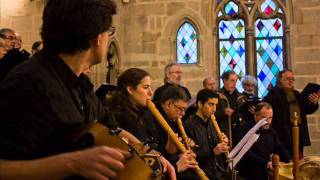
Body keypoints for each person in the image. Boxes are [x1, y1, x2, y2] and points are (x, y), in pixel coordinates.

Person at [0, 0, 139, 179]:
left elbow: (111, 128)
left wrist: (147, 152)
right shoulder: (27, 83)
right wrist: (71, 163)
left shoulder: (81, 83)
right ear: (96, 38)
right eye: (108, 32)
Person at [109, 68, 177, 179]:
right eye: (145, 87)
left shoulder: (146, 114)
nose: (150, 93)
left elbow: (155, 151)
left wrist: (169, 149)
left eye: (150, 87)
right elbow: (140, 159)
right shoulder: (120, 117)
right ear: (130, 89)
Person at [264, 69, 319, 157]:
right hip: (282, 135)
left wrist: (314, 102)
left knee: (298, 161)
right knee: (285, 162)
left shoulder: (296, 94)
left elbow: (307, 110)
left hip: (298, 134)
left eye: (292, 79)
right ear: (280, 80)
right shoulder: (274, 93)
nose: (291, 81)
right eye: (288, 78)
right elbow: (266, 110)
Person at [236, 102, 290, 180]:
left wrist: (289, 159)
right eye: (264, 118)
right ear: (255, 115)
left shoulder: (271, 130)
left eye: (270, 118)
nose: (268, 121)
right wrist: (266, 163)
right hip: (249, 172)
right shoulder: (244, 130)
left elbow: (279, 147)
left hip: (266, 171)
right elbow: (246, 154)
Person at [184, 89, 230, 180]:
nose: (214, 109)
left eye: (215, 105)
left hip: (218, 171)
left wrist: (223, 142)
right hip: (201, 174)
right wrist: (213, 152)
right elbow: (192, 155)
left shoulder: (212, 123)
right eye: (210, 104)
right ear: (200, 104)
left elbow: (217, 147)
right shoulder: (188, 126)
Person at [215, 71, 245, 146]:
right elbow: (210, 115)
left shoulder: (241, 97)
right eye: (232, 80)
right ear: (224, 80)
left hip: (239, 133)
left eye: (236, 81)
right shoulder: (217, 96)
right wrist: (223, 112)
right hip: (224, 132)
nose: (234, 84)